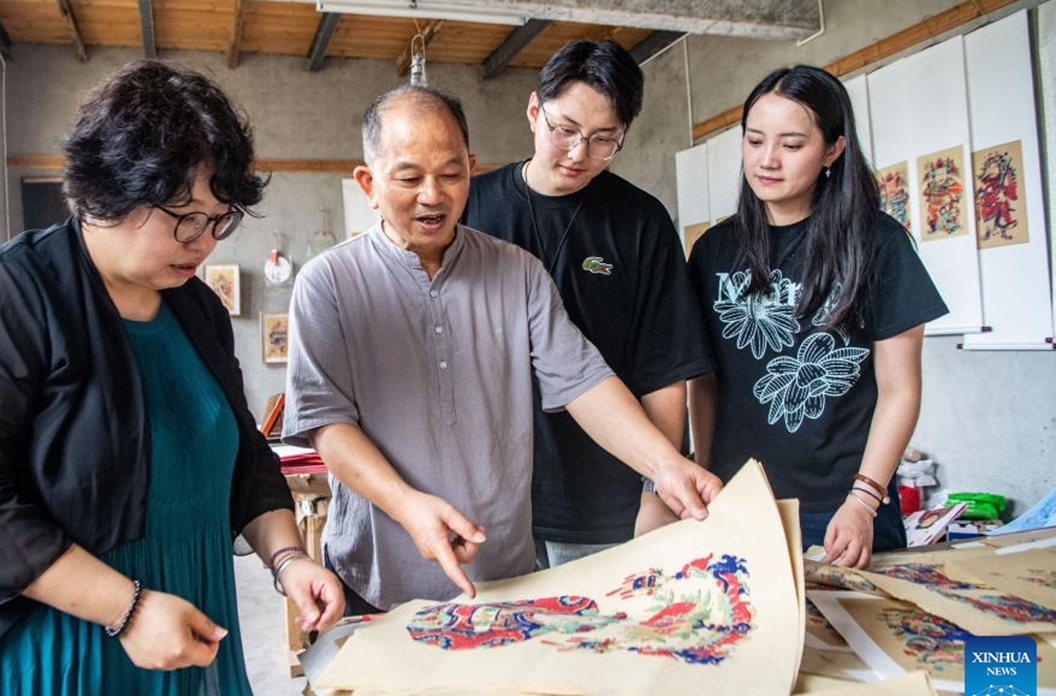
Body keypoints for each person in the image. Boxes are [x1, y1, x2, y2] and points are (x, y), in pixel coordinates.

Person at [0, 60, 343, 696]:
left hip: (178, 623)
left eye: (219, 219)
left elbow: (244, 457)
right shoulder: (6, 295)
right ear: (107, 192)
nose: (204, 241)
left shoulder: (196, 310)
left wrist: (289, 559)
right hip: (43, 645)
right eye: (185, 217)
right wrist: (127, 609)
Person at [283, 84, 722, 615]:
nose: (433, 195)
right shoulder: (327, 283)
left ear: (471, 169)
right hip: (378, 574)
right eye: (409, 177)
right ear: (368, 183)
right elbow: (329, 425)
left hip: (501, 574)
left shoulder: (517, 273)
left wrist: (665, 466)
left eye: (450, 174)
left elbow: (583, 381)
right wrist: (408, 507)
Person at [463, 39, 714, 567]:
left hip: (604, 500)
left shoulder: (640, 222)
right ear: (534, 111)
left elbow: (664, 371)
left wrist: (653, 490)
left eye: (604, 140)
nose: (579, 154)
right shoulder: (469, 207)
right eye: (565, 130)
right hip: (486, 500)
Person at [686, 65, 948, 570]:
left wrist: (864, 500)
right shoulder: (714, 250)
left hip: (844, 508)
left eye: (791, 144)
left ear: (833, 149)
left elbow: (900, 390)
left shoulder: (878, 245)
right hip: (741, 503)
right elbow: (707, 381)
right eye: (755, 140)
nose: (767, 160)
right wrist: (701, 472)